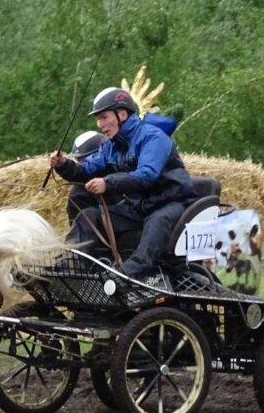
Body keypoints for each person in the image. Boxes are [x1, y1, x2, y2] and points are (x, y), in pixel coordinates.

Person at [50, 87, 198, 280]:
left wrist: (107, 183)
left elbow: (146, 175)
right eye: (98, 119)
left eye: (104, 117)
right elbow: (85, 170)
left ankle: (124, 276)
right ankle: (72, 264)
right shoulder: (111, 146)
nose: (100, 124)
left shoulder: (153, 137)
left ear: (121, 114)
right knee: (89, 216)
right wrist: (63, 165)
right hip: (139, 207)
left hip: (169, 202)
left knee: (156, 224)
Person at [65, 131, 107, 223]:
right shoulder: (78, 195)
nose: (80, 164)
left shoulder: (118, 174)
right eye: (78, 160)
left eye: (84, 159)